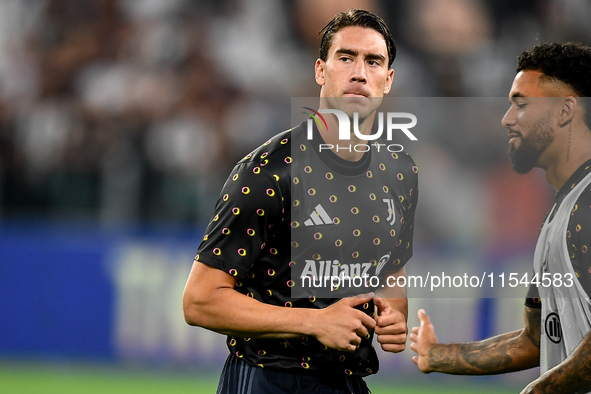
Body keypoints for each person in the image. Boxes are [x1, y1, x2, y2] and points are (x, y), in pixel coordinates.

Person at [183, 9, 419, 394]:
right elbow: (200, 301)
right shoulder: (269, 170)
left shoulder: (398, 174)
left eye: (373, 61)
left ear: (387, 80)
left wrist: (394, 315)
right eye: (345, 57)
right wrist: (315, 322)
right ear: (320, 71)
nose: (359, 72)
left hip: (347, 382)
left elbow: (392, 273)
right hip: (268, 379)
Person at [409, 42, 591, 394]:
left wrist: (536, 391)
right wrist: (437, 355)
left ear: (566, 111)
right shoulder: (562, 211)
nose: (507, 119)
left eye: (521, 104)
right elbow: (536, 340)